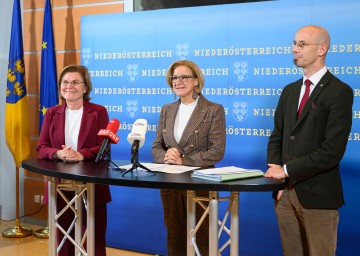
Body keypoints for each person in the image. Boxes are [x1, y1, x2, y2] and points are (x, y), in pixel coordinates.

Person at [265, 25, 353, 256]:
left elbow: (331, 151)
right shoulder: (289, 91)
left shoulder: (339, 92)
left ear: (322, 49)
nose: (295, 49)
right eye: (294, 44)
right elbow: (277, 136)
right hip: (285, 195)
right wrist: (278, 178)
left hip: (319, 197)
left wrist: (286, 170)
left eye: (302, 44)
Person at [152, 60, 226, 255]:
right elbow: (156, 147)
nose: (178, 81)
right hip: (170, 182)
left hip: (200, 182)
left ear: (196, 81)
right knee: (174, 235)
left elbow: (217, 151)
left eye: (184, 77)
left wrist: (184, 160)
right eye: (175, 77)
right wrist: (166, 155)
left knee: (201, 238)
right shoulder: (167, 109)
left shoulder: (213, 110)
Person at [37, 65, 111, 256]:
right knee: (63, 234)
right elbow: (42, 147)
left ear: (85, 87)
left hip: (91, 182)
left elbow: (104, 147)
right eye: (65, 82)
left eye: (75, 82)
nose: (69, 86)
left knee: (93, 235)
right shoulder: (52, 113)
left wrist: (80, 154)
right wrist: (58, 154)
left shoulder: (98, 112)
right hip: (59, 184)